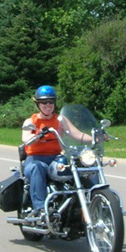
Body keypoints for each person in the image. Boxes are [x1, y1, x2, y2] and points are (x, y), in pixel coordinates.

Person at [22, 85, 93, 218]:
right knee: (37, 168)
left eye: (51, 101)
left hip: (56, 158)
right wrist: (36, 136)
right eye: (44, 102)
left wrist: (96, 137)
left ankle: (93, 200)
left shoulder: (60, 120)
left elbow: (76, 134)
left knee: (83, 166)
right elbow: (25, 138)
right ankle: (41, 209)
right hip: (36, 159)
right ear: (37, 103)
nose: (48, 105)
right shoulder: (31, 121)